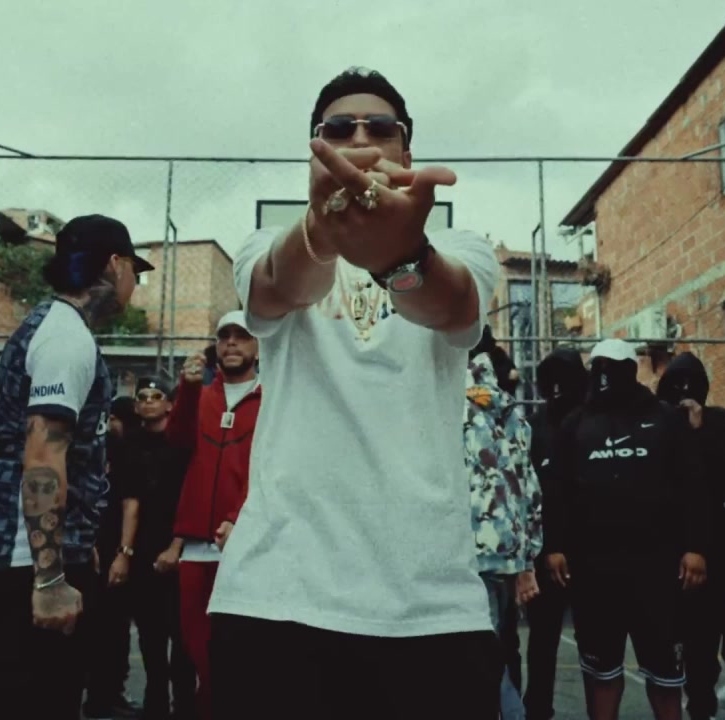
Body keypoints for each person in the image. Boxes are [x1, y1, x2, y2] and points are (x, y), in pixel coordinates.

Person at [207, 66, 502, 720]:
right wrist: (322, 232)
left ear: (407, 150)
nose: (361, 139)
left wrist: (400, 257)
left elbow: (452, 308)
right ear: (315, 151)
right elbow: (280, 289)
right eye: (339, 129)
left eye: (380, 127)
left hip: (429, 605)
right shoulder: (266, 244)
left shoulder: (462, 249)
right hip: (277, 593)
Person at [0, 214, 150, 719]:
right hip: (25, 566)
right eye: (136, 271)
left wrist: (78, 544)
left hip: (25, 557)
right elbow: (44, 460)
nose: (135, 284)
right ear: (115, 264)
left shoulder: (54, 327)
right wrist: (49, 579)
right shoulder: (66, 339)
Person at [545, 338, 708, 720]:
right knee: (601, 672)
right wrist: (555, 545)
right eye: (599, 366)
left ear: (632, 369)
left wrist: (696, 547)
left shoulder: (666, 418)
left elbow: (693, 486)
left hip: (659, 569)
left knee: (665, 673)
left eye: (614, 366)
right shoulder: (575, 423)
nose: (606, 375)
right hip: (594, 571)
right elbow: (557, 490)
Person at [164, 311, 261, 720]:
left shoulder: (272, 399)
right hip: (196, 548)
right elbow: (177, 440)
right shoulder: (201, 396)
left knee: (241, 654)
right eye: (224, 336)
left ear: (258, 345)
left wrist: (239, 517)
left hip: (245, 545)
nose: (232, 343)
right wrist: (187, 391)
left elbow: (268, 470)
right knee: (198, 652)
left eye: (242, 335)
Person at [655, 352, 725, 718]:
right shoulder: (656, 423)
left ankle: (706, 702)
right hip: (669, 546)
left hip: (715, 548)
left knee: (711, 631)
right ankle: (691, 697)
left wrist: (698, 433)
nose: (684, 392)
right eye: (676, 385)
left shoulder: (720, 423)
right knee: (677, 634)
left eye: (691, 385)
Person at [465, 329, 542, 719]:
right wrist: (525, 560)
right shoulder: (505, 407)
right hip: (500, 553)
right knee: (492, 653)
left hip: (453, 550)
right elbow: (527, 486)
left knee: (463, 660)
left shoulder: (437, 399)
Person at [119, 378, 198, 720]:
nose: (149, 401)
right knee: (150, 636)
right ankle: (155, 705)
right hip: (144, 551)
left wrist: (177, 546)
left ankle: (184, 706)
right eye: (143, 397)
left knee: (182, 638)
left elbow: (192, 497)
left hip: (182, 547)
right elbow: (130, 502)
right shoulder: (130, 444)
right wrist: (125, 552)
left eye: (156, 396)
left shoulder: (184, 443)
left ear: (169, 405)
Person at [524, 349, 587, 720]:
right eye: (552, 381)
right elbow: (532, 493)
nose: (558, 389)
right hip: (546, 553)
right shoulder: (534, 426)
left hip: (591, 551)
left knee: (596, 640)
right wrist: (549, 548)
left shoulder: (593, 420)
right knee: (543, 638)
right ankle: (537, 710)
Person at [83, 396, 142, 719]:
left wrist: (123, 553)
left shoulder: (123, 450)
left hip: (110, 552)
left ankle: (105, 697)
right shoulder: (78, 445)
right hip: (81, 549)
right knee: (82, 629)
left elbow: (130, 505)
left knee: (113, 628)